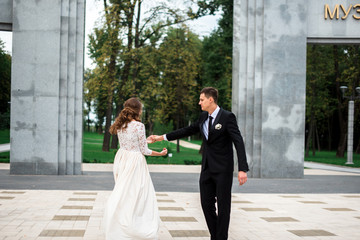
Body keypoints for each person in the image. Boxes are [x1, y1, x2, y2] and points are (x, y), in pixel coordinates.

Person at [149, 87, 248, 240]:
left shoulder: (228, 117)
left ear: (211, 100)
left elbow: (238, 141)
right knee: (206, 204)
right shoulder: (203, 117)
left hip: (223, 170)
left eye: (201, 100)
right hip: (207, 168)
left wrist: (242, 168)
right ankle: (216, 235)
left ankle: (220, 238)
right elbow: (186, 131)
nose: (199, 102)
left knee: (223, 207)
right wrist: (161, 137)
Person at [104, 97, 167, 240]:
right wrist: (160, 153)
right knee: (138, 196)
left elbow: (130, 143)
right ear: (138, 110)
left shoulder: (121, 124)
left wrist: (146, 140)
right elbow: (143, 150)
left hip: (122, 159)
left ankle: (119, 225)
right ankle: (134, 227)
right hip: (135, 163)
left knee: (124, 193)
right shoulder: (139, 126)